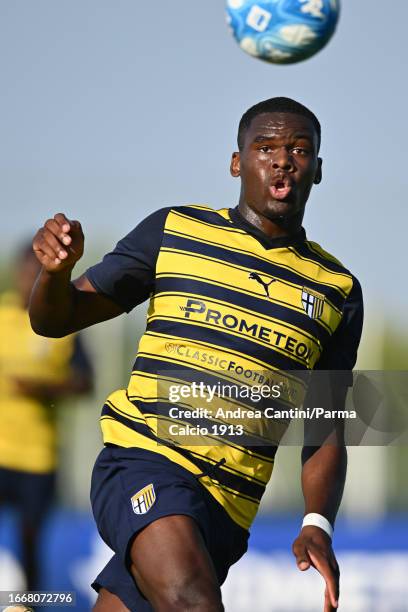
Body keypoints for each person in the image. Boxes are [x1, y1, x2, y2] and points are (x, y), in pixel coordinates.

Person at [29, 97, 363, 612]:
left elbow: (327, 425)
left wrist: (317, 522)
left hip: (227, 511)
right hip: (146, 461)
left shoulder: (339, 290)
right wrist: (54, 274)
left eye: (299, 150)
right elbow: (55, 319)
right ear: (237, 162)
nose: (282, 160)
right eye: (265, 147)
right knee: (192, 602)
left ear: (317, 169)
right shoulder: (175, 231)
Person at [0, 244, 93, 590]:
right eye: (25, 273)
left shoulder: (60, 325)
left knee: (30, 542)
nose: (28, 281)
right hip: (1, 451)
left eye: (35, 275)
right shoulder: (1, 316)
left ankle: (31, 603)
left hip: (38, 458)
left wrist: (43, 389)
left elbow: (85, 383)